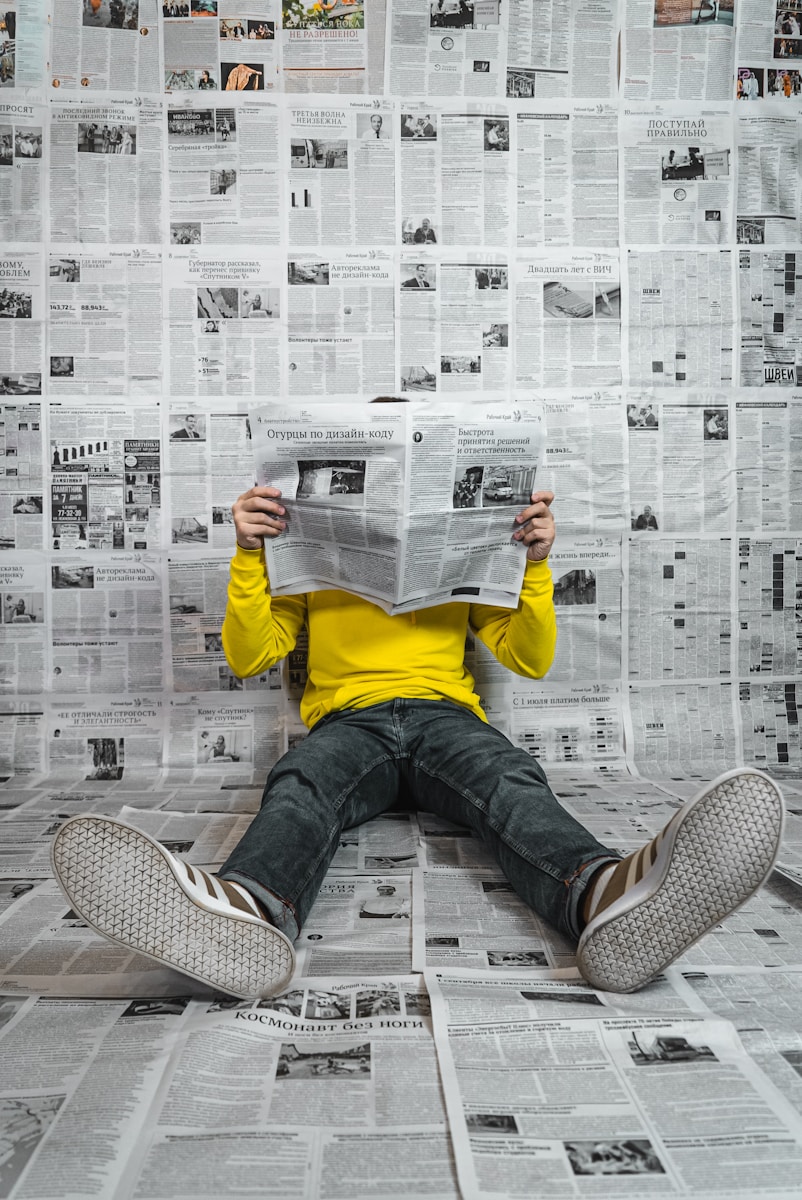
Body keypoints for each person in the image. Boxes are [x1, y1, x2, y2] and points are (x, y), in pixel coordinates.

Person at [51, 401, 786, 1000]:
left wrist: (535, 565)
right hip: (350, 722)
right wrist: (249, 555)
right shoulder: (307, 554)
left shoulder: (466, 546)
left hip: (445, 718)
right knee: (302, 783)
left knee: (509, 778)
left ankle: (602, 898)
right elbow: (251, 655)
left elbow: (528, 658)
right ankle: (246, 912)